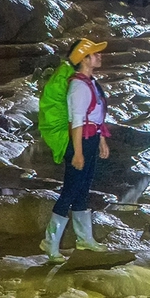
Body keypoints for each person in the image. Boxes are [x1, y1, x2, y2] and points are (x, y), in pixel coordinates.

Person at [43, 38, 112, 258]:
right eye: (94, 54)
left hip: (90, 140)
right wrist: (78, 152)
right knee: (70, 191)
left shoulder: (90, 82)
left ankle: (84, 239)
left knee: (82, 190)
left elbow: (95, 116)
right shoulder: (79, 86)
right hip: (80, 142)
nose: (99, 56)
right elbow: (77, 121)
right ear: (83, 59)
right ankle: (50, 242)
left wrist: (100, 139)